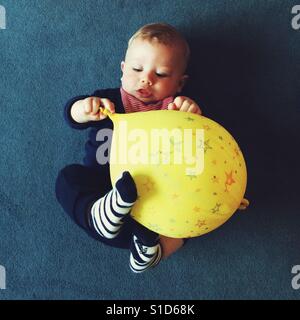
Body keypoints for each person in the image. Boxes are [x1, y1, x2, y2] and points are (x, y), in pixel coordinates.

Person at [55, 23, 202, 273]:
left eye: (162, 74)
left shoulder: (174, 109)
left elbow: (200, 146)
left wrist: (192, 115)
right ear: (123, 70)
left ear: (180, 84)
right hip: (101, 190)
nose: (146, 78)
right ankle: (97, 215)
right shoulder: (108, 100)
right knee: (67, 179)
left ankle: (153, 250)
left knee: (192, 215)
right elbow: (71, 116)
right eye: (136, 68)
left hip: (157, 197)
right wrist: (83, 109)